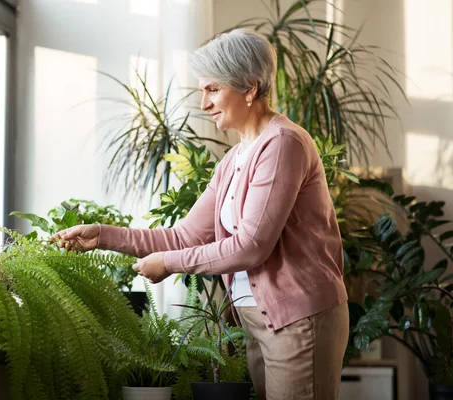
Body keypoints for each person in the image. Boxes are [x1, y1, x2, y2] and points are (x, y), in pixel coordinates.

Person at [52, 28, 349, 400]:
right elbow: (184, 236)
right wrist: (102, 236)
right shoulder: (234, 158)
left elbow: (250, 247)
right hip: (262, 321)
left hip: (298, 320)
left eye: (212, 89)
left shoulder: (282, 145)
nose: (204, 103)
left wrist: (171, 264)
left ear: (250, 88)